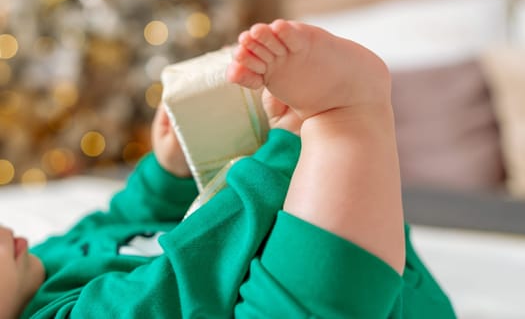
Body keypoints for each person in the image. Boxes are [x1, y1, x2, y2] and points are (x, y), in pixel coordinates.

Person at [0, 20, 456, 318]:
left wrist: (168, 171)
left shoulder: (42, 257)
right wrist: (281, 157)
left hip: (368, 268)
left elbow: (120, 220)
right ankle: (347, 114)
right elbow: (188, 277)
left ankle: (337, 149)